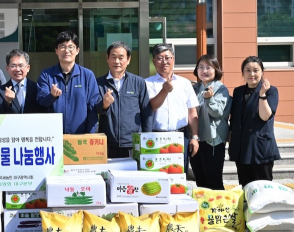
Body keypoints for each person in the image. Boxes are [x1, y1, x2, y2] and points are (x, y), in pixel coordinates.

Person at [145, 43, 199, 172]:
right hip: (156, 137)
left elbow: (192, 112)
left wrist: (195, 137)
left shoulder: (185, 83)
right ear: (153, 61)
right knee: (157, 176)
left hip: (180, 136)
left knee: (179, 176)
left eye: (168, 57)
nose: (164, 61)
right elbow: (152, 106)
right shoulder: (147, 83)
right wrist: (164, 91)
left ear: (173, 59)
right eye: (159, 58)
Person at [229, 56, 281, 185]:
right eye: (248, 70)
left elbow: (265, 116)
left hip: (260, 147)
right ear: (243, 73)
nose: (252, 74)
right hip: (242, 147)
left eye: (256, 70)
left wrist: (262, 94)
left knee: (264, 186)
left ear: (262, 72)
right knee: (246, 187)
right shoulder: (238, 91)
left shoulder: (271, 91)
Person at [96, 42, 152, 158]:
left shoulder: (139, 82)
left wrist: (147, 139)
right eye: (113, 57)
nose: (117, 61)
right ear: (107, 58)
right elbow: (94, 110)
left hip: (133, 143)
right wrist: (104, 104)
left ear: (128, 59)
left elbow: (146, 112)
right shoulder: (99, 83)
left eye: (121, 57)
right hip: (107, 144)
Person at [36, 31, 99, 134]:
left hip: (80, 137)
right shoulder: (46, 75)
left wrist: (90, 135)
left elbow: (92, 107)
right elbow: (40, 101)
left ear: (77, 50)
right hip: (52, 136)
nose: (67, 51)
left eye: (71, 47)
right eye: (62, 47)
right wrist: (52, 96)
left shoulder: (87, 75)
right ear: (56, 50)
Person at [190, 55, 231, 190]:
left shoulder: (221, 89)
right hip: (196, 139)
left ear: (216, 70)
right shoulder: (194, 88)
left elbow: (217, 112)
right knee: (200, 180)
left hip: (213, 140)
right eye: (201, 67)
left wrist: (209, 99)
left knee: (214, 180)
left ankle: (219, 209)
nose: (204, 70)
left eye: (208, 67)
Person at [0, 49, 44, 114]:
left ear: (28, 68)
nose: (17, 69)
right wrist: (7, 102)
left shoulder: (38, 89)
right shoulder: (0, 91)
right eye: (13, 66)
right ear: (7, 69)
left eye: (21, 66)